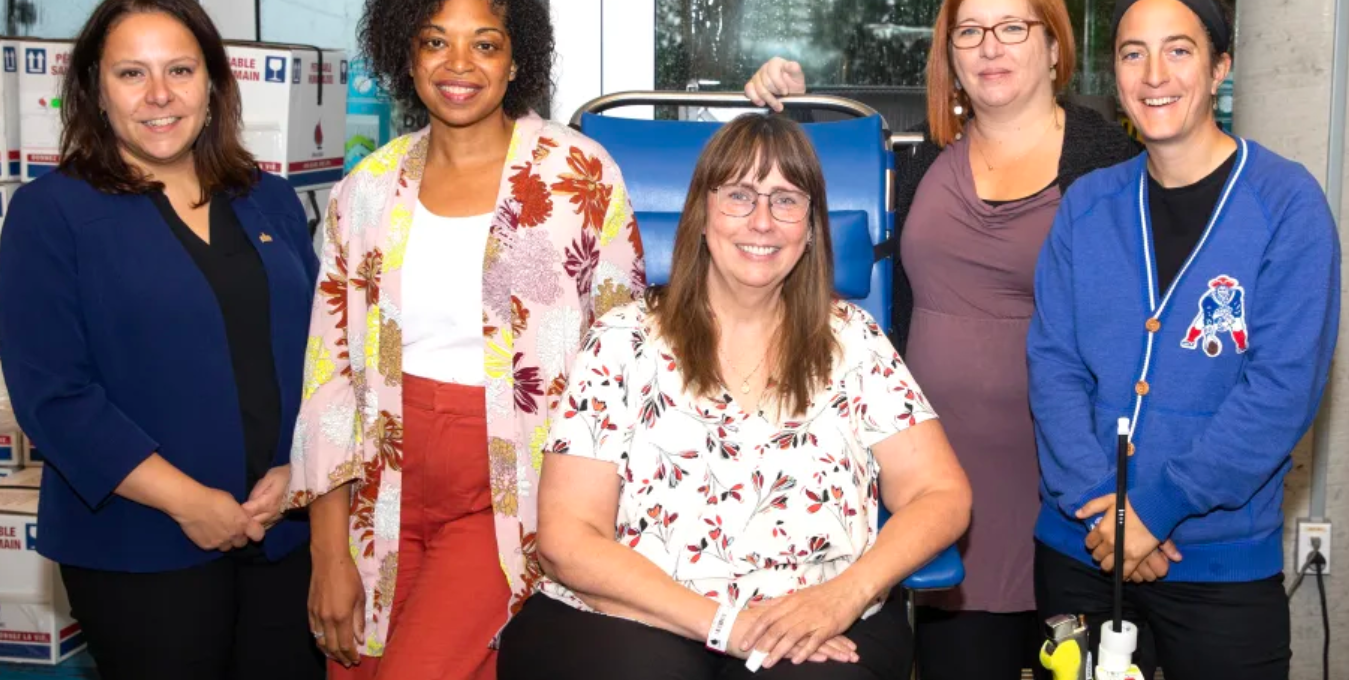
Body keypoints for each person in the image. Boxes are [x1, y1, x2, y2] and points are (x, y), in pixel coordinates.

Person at [497, 113, 972, 680]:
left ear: (813, 227)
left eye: (787, 200)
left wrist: (845, 596)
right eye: (740, 196)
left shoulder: (855, 343)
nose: (763, 222)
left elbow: (942, 493)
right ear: (701, 214)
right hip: (640, 613)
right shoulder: (622, 340)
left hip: (816, 619)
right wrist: (726, 624)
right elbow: (567, 536)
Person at [743, 2, 1138, 678]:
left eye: (1013, 26)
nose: (991, 46)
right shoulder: (930, 156)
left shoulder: (1109, 163)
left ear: (1053, 48)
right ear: (949, 55)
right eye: (969, 31)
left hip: (1068, 488)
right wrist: (788, 110)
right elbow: (813, 223)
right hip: (942, 489)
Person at [286, 0, 646, 678]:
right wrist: (328, 555)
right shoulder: (363, 191)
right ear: (406, 55)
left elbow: (623, 359)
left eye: (484, 44)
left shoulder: (580, 177)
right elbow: (328, 377)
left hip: (515, 485)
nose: (458, 65)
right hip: (379, 483)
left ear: (516, 61)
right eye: (434, 42)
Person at [0, 1, 323, 679]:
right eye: (130, 73)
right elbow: (54, 395)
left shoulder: (268, 198)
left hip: (283, 531)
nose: (159, 95)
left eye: (179, 69)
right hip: (138, 543)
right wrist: (188, 501)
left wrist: (300, 468)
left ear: (213, 83)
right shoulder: (50, 213)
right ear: (93, 89)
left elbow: (320, 357)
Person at [1028, 1, 1339, 678]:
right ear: (1113, 75)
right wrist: (1105, 515)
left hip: (1220, 568)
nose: (1152, 73)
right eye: (1131, 53)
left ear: (1219, 65)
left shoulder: (1286, 205)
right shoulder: (1085, 205)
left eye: (1178, 50)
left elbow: (1280, 391)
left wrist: (1155, 511)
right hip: (1080, 551)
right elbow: (1052, 366)